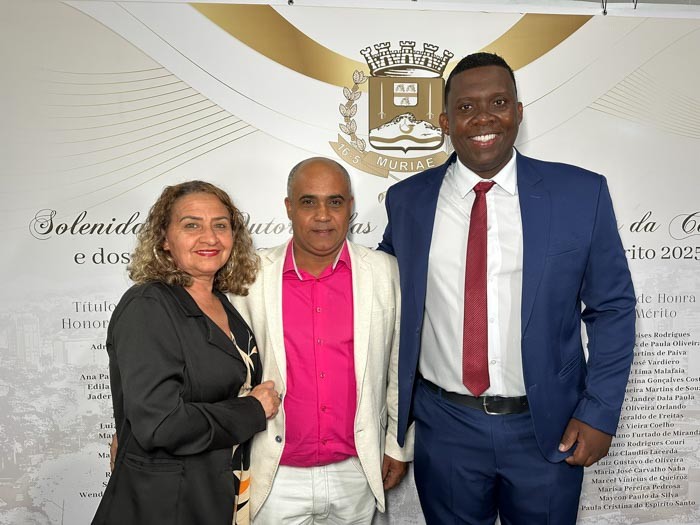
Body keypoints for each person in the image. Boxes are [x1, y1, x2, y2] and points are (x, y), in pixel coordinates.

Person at [378, 52, 636, 524]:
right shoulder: (408, 201)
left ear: (518, 112)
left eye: (498, 102)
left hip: (547, 428)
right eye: (466, 107)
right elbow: (384, 297)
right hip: (446, 428)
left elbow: (613, 308)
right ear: (445, 122)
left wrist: (599, 412)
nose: (483, 118)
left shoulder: (581, 194)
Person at [230, 157, 413, 524]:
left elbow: (399, 366)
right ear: (289, 207)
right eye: (308, 202)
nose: (323, 215)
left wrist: (397, 445)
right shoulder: (249, 278)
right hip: (275, 473)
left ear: (350, 206)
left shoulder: (384, 272)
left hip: (357, 470)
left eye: (335, 201)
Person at [93, 181, 280, 525]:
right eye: (192, 225)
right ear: (164, 238)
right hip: (166, 506)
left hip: (217, 493)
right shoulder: (148, 305)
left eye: (220, 225)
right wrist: (252, 409)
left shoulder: (222, 302)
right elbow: (160, 424)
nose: (210, 238)